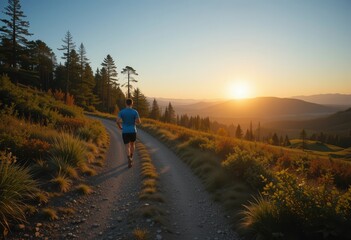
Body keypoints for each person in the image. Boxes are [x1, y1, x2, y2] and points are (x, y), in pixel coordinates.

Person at [116, 98, 141, 168]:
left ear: (126, 103)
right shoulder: (135, 112)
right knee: (132, 144)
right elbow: (139, 121)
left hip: (125, 131)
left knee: (127, 146)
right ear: (132, 104)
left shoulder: (122, 112)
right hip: (133, 130)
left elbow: (117, 121)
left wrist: (120, 127)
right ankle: (131, 157)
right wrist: (134, 123)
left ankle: (128, 158)